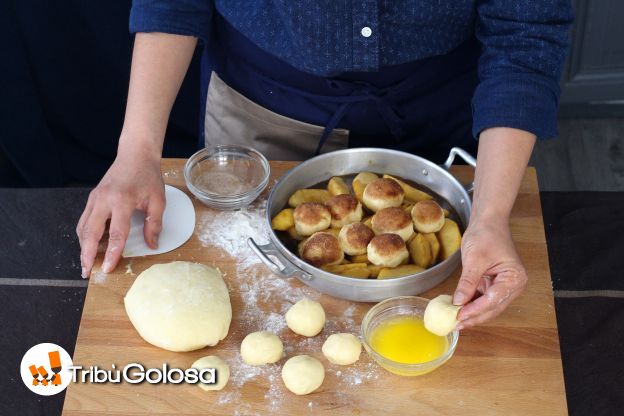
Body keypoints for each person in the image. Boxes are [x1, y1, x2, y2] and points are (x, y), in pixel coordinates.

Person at [77, 1, 573, 330]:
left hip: (443, 127)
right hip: (261, 114)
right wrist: (137, 152)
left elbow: (526, 30)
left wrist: (487, 216)